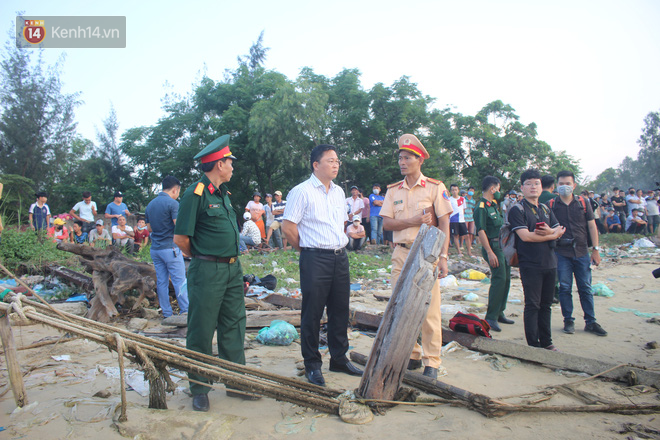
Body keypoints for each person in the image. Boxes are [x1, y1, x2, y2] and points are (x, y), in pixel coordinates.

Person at [173, 135, 253, 411]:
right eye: (230, 161)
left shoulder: (223, 195)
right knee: (201, 329)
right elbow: (181, 238)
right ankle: (199, 388)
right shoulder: (194, 194)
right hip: (207, 269)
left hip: (232, 269)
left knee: (233, 325)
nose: (233, 166)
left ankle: (236, 383)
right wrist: (204, 259)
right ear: (219, 164)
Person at [282, 144, 362, 387]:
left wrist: (352, 231)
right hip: (314, 258)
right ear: (316, 165)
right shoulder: (302, 191)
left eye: (337, 160)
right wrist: (306, 250)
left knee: (340, 310)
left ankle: (339, 358)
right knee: (313, 313)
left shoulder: (339, 192)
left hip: (339, 256)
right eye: (330, 161)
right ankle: (312, 364)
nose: (336, 164)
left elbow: (339, 225)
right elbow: (288, 227)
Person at [380, 133, 452, 379]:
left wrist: (443, 256)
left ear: (419, 160)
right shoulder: (393, 190)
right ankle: (411, 353)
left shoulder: (434, 187)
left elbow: (444, 223)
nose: (402, 162)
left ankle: (432, 360)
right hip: (401, 253)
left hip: (426, 255)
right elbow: (387, 225)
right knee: (399, 305)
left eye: (408, 157)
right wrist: (412, 221)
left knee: (429, 309)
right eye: (400, 158)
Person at [508, 169, 565, 350]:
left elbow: (561, 230)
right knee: (532, 304)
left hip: (550, 262)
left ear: (542, 187)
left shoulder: (545, 208)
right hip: (530, 264)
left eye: (536, 183)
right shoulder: (517, 209)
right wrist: (551, 235)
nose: (533, 187)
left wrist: (551, 233)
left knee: (546, 305)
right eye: (529, 184)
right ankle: (533, 345)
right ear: (522, 188)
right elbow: (525, 236)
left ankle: (546, 342)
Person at [549, 171, 607, 337]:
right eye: (561, 183)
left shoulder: (584, 202)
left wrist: (595, 249)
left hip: (581, 251)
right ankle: (568, 320)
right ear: (556, 186)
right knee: (565, 288)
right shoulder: (551, 204)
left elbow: (591, 226)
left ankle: (591, 321)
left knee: (585, 288)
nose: (564, 186)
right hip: (561, 252)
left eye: (568, 183)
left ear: (574, 185)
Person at [145, 176, 188, 319]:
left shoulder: (150, 205)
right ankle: (185, 311)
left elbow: (149, 228)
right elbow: (178, 225)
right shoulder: (173, 204)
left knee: (162, 281)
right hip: (170, 248)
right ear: (175, 189)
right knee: (179, 281)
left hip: (155, 249)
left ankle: (167, 313)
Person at [474, 176, 513, 332]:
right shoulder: (481, 207)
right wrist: (489, 252)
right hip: (493, 246)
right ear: (493, 189)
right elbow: (481, 231)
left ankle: (499, 312)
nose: (499, 192)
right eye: (498, 188)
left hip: (502, 246)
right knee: (499, 279)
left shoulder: (494, 205)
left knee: (507, 278)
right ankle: (490, 317)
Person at [448, 184, 468, 257]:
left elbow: (464, 209)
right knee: (455, 235)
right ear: (451, 191)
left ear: (458, 190)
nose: (454, 191)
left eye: (456, 190)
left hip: (461, 220)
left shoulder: (463, 199)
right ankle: (459, 251)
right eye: (453, 190)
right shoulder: (449, 199)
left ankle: (469, 251)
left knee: (466, 235)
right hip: (453, 219)